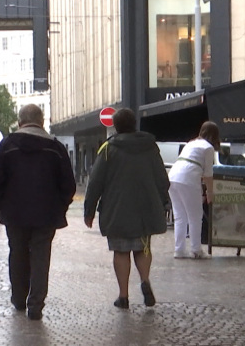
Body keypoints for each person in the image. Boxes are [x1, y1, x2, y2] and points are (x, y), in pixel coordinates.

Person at [0, 104, 76, 320]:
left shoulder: (7, 145)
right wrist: (60, 206)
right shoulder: (55, 148)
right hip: (46, 214)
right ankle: (36, 304)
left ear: (20, 122)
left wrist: (0, 206)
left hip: (14, 213)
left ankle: (19, 299)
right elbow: (68, 185)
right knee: (41, 257)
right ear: (42, 121)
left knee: (17, 253)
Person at [83, 108, 170, 309]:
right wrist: (163, 201)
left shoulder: (108, 149)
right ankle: (145, 280)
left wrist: (89, 210)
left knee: (121, 251)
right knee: (143, 247)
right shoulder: (150, 147)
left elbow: (95, 182)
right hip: (146, 208)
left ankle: (123, 296)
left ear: (116, 126)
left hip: (118, 208)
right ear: (134, 124)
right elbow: (162, 179)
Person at [167, 122, 220, 259]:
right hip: (188, 179)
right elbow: (208, 174)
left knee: (180, 216)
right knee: (195, 217)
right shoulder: (208, 148)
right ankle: (196, 250)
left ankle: (179, 250)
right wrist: (210, 192)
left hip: (173, 177)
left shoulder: (190, 143)